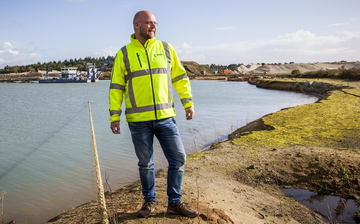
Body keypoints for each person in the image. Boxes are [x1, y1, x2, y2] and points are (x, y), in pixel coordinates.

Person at [109, 10, 198, 219]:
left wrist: (188, 103)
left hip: (166, 117)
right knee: (145, 164)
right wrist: (114, 116)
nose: (154, 27)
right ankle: (149, 203)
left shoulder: (165, 49)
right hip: (138, 121)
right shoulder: (124, 54)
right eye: (149, 23)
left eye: (155, 23)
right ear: (137, 25)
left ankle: (174, 203)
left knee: (178, 159)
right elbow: (116, 87)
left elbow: (180, 77)